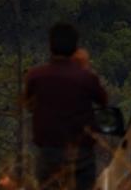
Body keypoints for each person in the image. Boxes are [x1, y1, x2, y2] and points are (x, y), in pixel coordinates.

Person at [25, 22, 109, 189]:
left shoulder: (36, 76)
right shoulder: (85, 78)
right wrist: (85, 68)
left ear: (51, 46)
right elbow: (103, 100)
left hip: (49, 152)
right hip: (81, 155)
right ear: (75, 48)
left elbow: (29, 105)